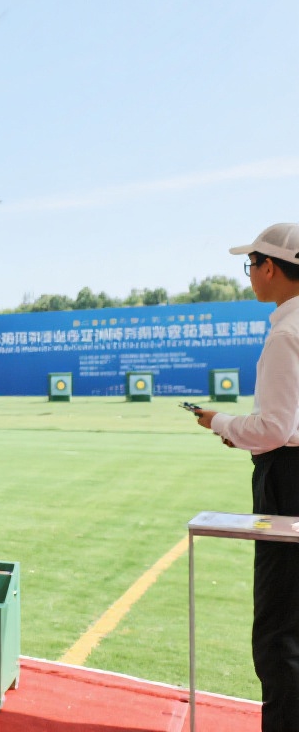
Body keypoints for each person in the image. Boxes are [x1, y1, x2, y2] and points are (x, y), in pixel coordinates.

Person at [194, 222, 299, 731]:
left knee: (280, 629)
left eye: (251, 265)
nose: (250, 275)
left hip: (288, 479)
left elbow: (276, 429)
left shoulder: (286, 333)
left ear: (271, 268)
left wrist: (222, 423)